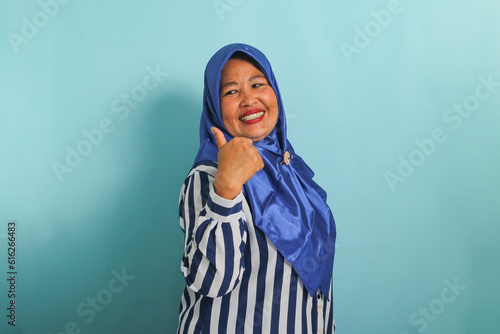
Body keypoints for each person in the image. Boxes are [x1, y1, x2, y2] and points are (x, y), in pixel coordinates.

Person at [177, 43, 337, 333]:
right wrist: (226, 188)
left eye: (257, 84)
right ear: (214, 104)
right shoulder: (209, 176)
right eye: (231, 91)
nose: (249, 99)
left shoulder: (290, 168)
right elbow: (212, 281)